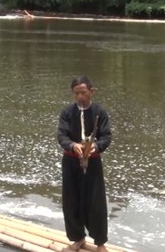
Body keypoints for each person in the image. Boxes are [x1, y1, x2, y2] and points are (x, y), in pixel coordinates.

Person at [57, 76, 112, 252]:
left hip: (93, 163)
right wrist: (73, 146)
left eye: (83, 93)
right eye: (76, 93)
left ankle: (100, 243)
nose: (80, 97)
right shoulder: (67, 112)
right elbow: (62, 136)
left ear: (91, 92)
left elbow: (106, 136)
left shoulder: (99, 112)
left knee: (95, 203)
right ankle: (77, 238)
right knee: (71, 201)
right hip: (71, 161)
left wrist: (95, 146)